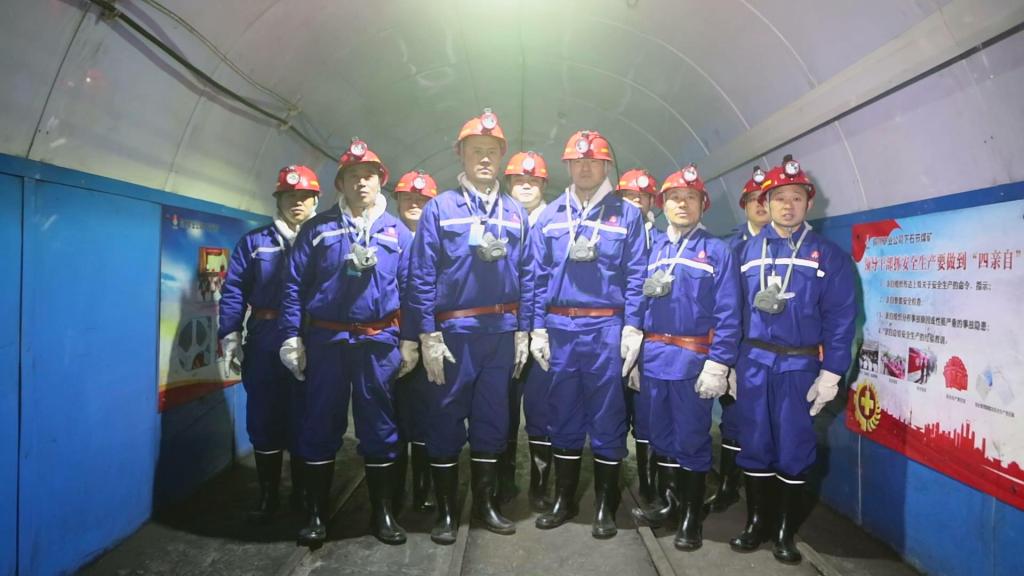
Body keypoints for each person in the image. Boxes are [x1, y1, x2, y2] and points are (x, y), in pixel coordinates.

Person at [279, 140, 418, 547]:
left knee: (380, 425)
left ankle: (383, 514)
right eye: (353, 176)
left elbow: (412, 290)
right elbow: (293, 286)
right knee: (320, 422)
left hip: (379, 341)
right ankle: (316, 514)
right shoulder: (318, 229)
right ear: (340, 183)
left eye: (369, 176)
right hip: (328, 339)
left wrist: (410, 340)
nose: (361, 183)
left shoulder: (396, 232)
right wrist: (291, 336)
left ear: (380, 182)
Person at [407, 109, 533, 544]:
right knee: (444, 418)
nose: (484, 158)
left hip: (500, 332)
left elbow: (529, 274)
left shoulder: (515, 213)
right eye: (476, 150)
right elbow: (422, 275)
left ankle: (485, 505)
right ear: (460, 154)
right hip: (454, 334)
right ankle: (446, 512)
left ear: (501, 157)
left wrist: (524, 330)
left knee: (492, 420)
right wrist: (427, 335)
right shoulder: (440, 208)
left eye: (492, 151)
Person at [729, 155, 856, 563]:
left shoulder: (828, 256)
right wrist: (727, 363)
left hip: (799, 367)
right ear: (765, 203)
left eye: (796, 198)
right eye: (779, 198)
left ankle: (784, 531)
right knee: (754, 442)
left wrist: (832, 373)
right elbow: (730, 313)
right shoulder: (744, 252)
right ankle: (756, 522)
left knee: (794, 447)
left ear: (808, 203)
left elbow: (841, 319)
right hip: (753, 363)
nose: (788, 205)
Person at [530, 130, 647, 539]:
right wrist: (537, 328)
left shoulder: (627, 215)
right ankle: (563, 500)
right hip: (560, 327)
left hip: (605, 328)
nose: (584, 167)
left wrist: (633, 326)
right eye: (577, 161)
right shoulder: (549, 216)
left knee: (607, 415)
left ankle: (604, 506)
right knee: (561, 412)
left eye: (593, 161)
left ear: (605, 166)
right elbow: (537, 277)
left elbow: (636, 275)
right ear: (567, 165)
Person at [630, 164, 741, 551]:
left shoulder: (718, 251)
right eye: (675, 198)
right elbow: (640, 303)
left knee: (691, 438)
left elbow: (729, 314)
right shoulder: (654, 250)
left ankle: (692, 517)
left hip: (693, 362)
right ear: (663, 205)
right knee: (660, 436)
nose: (682, 204)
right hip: (655, 358)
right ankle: (671, 504)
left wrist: (719, 364)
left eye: (690, 198)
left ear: (702, 205)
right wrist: (636, 355)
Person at [218, 165, 319, 524]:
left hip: (313, 336)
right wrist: (230, 333)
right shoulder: (255, 242)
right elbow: (234, 289)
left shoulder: (325, 240)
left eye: (304, 196)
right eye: (289, 196)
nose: (297, 202)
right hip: (264, 336)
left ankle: (305, 492)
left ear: (316, 200)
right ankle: (268, 493)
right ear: (278, 199)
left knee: (308, 414)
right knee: (263, 414)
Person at [706, 165, 771, 513]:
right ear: (743, 205)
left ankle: (764, 494)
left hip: (777, 349)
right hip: (739, 347)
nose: (760, 204)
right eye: (752, 199)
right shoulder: (729, 249)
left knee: (771, 419)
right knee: (733, 417)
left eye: (765, 198)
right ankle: (729, 486)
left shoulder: (792, 246)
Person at [502, 151, 552, 510]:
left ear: (543, 185)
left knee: (541, 409)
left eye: (533, 181)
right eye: (519, 180)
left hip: (545, 331)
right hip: (505, 331)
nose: (526, 186)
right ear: (508, 184)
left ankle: (540, 484)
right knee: (501, 409)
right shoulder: (497, 219)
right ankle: (503, 479)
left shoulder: (556, 221)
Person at [393, 170, 440, 513]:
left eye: (422, 200)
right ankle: (395, 487)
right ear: (397, 200)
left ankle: (423, 487)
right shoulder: (384, 234)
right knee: (392, 414)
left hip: (426, 337)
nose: (415, 203)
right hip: (388, 337)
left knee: (426, 412)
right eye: (408, 197)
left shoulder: (440, 239)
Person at [615, 168, 661, 506]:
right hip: (614, 335)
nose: (635, 202)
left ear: (651, 202)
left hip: (652, 340)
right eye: (628, 196)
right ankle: (612, 477)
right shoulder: (610, 237)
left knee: (647, 412)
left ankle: (648, 483)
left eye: (641, 197)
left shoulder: (664, 241)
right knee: (614, 409)